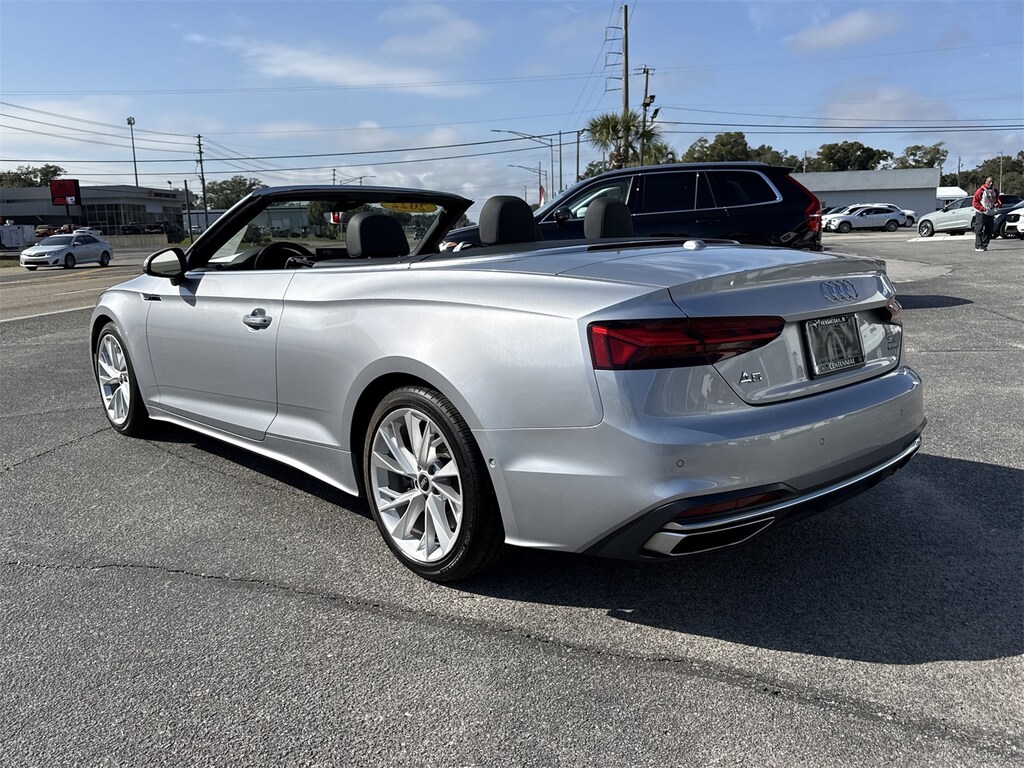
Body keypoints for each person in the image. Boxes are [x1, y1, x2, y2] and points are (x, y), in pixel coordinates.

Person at [971, 176, 1002, 252]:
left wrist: (998, 204)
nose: (991, 184)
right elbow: (975, 202)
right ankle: (978, 246)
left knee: (989, 230)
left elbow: (997, 200)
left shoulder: (995, 190)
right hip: (981, 213)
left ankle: (984, 245)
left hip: (990, 213)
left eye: (992, 182)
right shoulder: (981, 190)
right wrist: (982, 208)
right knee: (979, 229)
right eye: (989, 182)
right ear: (986, 182)